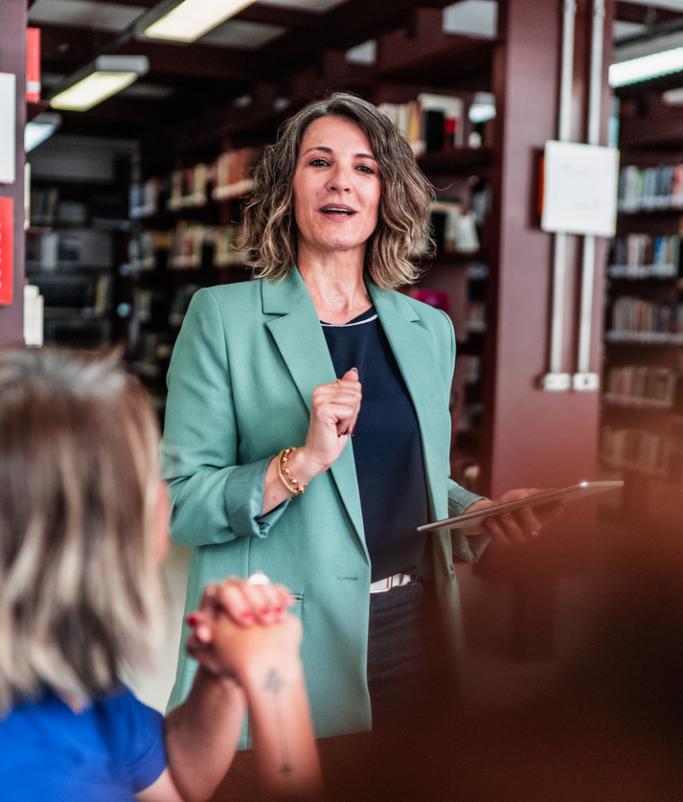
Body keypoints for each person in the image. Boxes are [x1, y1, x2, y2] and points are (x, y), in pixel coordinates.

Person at [163, 91, 553, 740]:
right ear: (288, 188)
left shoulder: (428, 329)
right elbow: (184, 504)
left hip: (418, 630)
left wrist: (480, 513)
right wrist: (302, 461)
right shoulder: (223, 318)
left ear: (385, 195)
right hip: (286, 642)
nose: (342, 180)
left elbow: (418, 481)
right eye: (319, 162)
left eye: (365, 168)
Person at [0, 348, 321, 802]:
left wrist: (219, 677)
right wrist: (274, 679)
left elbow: (175, 780)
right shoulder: (42, 783)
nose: (162, 496)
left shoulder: (49, 678)